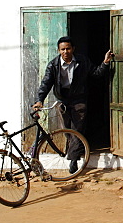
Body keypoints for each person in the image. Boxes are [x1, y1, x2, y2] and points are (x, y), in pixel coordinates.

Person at [32, 36, 113, 173]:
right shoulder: (53, 65)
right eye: (62, 49)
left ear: (73, 49)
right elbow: (46, 83)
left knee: (77, 130)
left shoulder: (82, 61)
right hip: (62, 101)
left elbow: (96, 73)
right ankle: (74, 153)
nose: (66, 52)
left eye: (68, 48)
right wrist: (40, 99)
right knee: (67, 130)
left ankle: (74, 160)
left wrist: (105, 62)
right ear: (58, 50)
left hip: (79, 100)